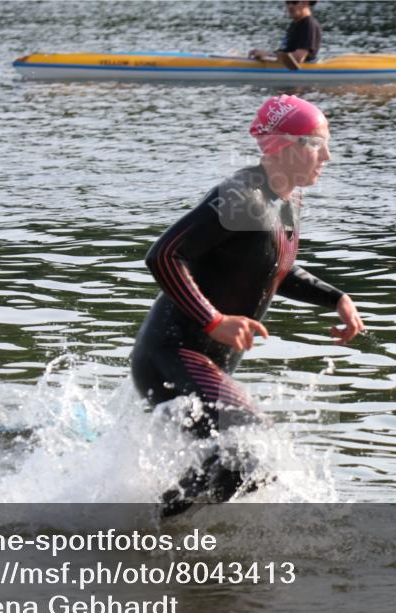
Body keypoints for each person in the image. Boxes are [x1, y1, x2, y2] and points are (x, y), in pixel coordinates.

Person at [130, 95, 364, 516]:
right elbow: (163, 255)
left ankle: (155, 532)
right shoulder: (242, 196)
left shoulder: (287, 200)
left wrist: (336, 298)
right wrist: (213, 319)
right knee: (253, 451)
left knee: (241, 463)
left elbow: (272, 268)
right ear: (285, 146)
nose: (327, 155)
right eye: (316, 143)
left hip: (204, 364)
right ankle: (155, 536)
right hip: (170, 355)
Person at [249, 1, 322, 67]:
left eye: (294, 2)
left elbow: (298, 58)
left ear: (306, 2)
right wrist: (264, 54)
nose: (290, 6)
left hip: (301, 69)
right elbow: (285, 51)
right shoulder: (295, 23)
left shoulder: (308, 24)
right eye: (287, 2)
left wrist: (270, 56)